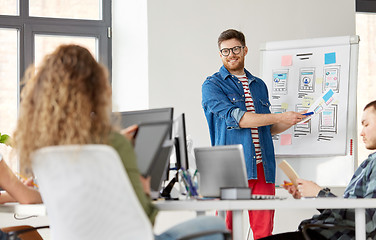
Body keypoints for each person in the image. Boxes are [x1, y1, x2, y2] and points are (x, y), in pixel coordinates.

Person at [0, 44, 227, 240]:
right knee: (215, 225)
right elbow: (145, 218)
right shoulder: (115, 144)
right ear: (96, 90)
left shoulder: (43, 150)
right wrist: (144, 184)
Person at [201, 29, 305, 239]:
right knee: (225, 229)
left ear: (245, 49)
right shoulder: (212, 85)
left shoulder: (259, 86)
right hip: (231, 167)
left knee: (264, 231)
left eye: (236, 48)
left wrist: (291, 121)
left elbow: (267, 128)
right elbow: (240, 119)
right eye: (225, 51)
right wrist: (279, 116)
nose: (231, 54)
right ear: (220, 54)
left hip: (262, 166)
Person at [259, 100, 376, 240]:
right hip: (321, 232)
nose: (362, 133)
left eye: (366, 124)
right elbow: (348, 215)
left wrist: (319, 193)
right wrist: (312, 194)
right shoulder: (369, 162)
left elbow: (367, 222)